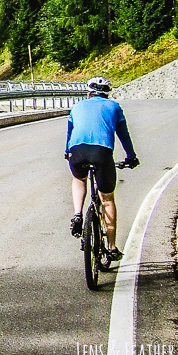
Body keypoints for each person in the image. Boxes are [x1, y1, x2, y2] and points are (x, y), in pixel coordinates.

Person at [66, 76, 138, 262]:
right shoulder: (114, 107)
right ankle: (112, 247)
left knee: (79, 179)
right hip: (101, 152)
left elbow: (70, 133)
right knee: (107, 199)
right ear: (107, 93)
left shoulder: (77, 106)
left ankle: (77, 214)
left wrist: (68, 152)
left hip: (77, 150)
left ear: (88, 93)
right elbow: (124, 135)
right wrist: (131, 157)